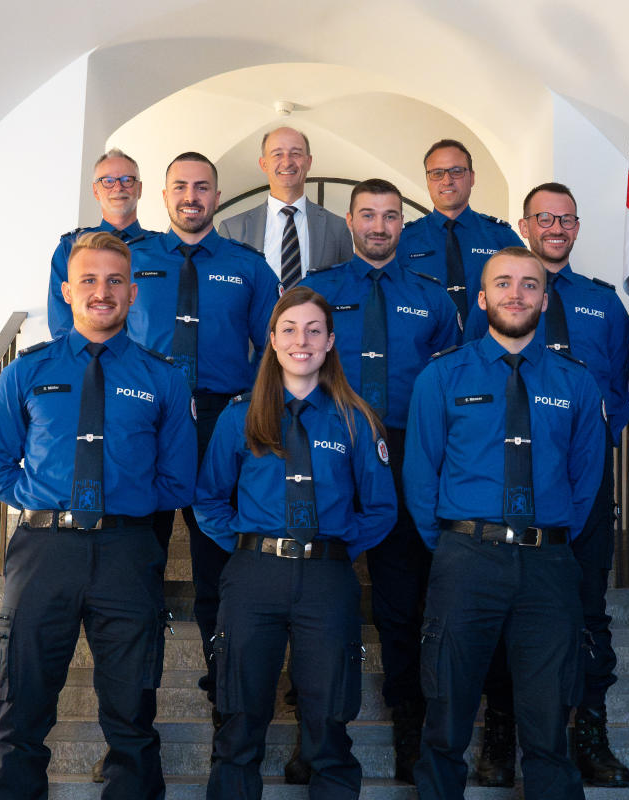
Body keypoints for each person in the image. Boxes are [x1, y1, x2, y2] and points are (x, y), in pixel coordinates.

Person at [0, 231, 197, 799]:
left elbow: (177, 480)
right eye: (90, 281)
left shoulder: (163, 377)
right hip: (44, 551)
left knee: (131, 712)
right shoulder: (27, 371)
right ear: (68, 291)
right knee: (21, 710)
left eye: (115, 281)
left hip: (127, 552)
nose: (103, 292)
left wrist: (122, 506)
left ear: (132, 292)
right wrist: (51, 497)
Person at [404, 247, 607, 800]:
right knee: (446, 715)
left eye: (528, 284)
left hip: (548, 566)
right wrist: (457, 545)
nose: (516, 294)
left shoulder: (576, 383)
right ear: (482, 296)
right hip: (467, 561)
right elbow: (422, 479)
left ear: (545, 297)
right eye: (503, 283)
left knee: (548, 727)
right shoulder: (441, 377)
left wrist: (545, 536)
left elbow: (585, 482)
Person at [194, 286, 397, 800]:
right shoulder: (239, 416)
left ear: (330, 341)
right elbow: (209, 500)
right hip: (253, 576)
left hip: (326, 578)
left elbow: (380, 509)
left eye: (313, 330)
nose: (300, 340)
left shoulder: (356, 419)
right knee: (239, 716)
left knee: (329, 718)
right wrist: (246, 543)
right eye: (289, 329)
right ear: (272, 339)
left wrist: (336, 548)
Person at [464, 182, 629, 786]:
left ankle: (590, 731)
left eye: (566, 219)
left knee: (588, 612)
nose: (555, 228)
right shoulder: (499, 297)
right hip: (509, 478)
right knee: (507, 613)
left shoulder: (604, 304)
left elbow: (620, 388)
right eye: (544, 218)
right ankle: (502, 734)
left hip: (580, 479)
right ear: (524, 225)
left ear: (577, 227)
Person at [301, 178, 460, 783]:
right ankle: (309, 729)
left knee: (401, 601)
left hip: (403, 451)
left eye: (390, 216)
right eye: (367, 214)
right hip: (325, 447)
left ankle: (409, 729)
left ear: (402, 224)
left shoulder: (434, 299)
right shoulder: (315, 291)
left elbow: (448, 385)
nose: (379, 225)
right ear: (349, 219)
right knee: (311, 594)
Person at [128, 151, 281, 722]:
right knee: (138, 575)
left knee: (220, 569)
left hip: (223, 423)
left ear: (218, 197)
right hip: (147, 422)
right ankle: (135, 709)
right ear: (163, 197)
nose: (191, 196)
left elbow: (276, 346)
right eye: (180, 187)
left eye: (202, 187)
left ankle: (226, 704)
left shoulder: (248, 266)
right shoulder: (133, 260)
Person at [399, 139, 523, 330]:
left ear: (472, 177)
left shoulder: (501, 237)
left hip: (489, 353)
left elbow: (528, 296)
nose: (447, 180)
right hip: (426, 355)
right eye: (437, 173)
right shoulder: (404, 241)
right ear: (427, 180)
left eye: (456, 171)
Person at [217, 127, 353, 288]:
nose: (287, 162)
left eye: (295, 153)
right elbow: (224, 294)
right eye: (277, 154)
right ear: (263, 164)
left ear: (308, 162)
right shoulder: (233, 230)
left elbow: (346, 291)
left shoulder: (337, 228)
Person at [48, 148, 155, 337]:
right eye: (108, 181)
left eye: (127, 180)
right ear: (95, 191)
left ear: (139, 189)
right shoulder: (71, 247)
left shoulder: (162, 248)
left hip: (146, 363)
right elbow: (62, 324)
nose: (118, 187)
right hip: (89, 362)